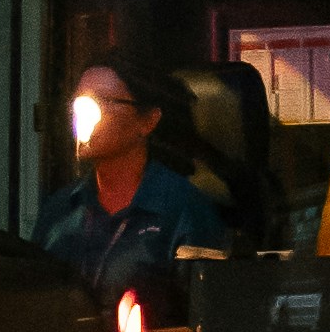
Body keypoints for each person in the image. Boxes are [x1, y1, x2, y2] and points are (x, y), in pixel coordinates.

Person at [32, 63, 215, 315]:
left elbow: (204, 326)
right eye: (78, 102)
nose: (82, 115)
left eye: (101, 101)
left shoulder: (184, 209)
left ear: (148, 120)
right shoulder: (60, 209)